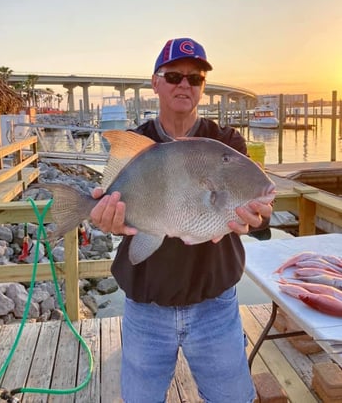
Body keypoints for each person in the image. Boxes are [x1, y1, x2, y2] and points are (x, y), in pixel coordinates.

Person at [91, 37, 273, 403]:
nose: (185, 85)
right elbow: (107, 205)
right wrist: (100, 217)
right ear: (155, 83)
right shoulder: (136, 143)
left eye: (195, 78)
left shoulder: (226, 142)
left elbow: (258, 209)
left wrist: (261, 217)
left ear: (203, 88)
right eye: (174, 76)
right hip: (146, 307)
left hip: (215, 307)